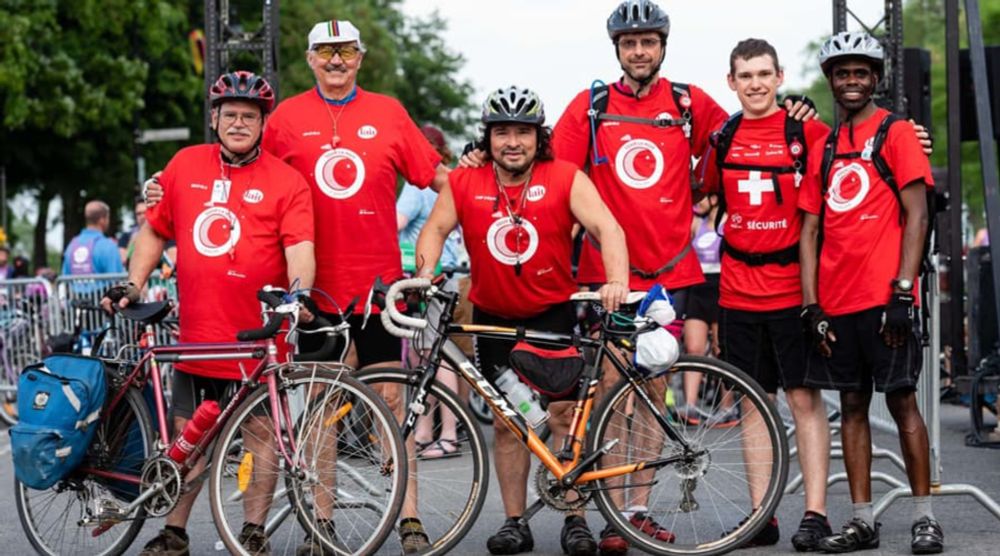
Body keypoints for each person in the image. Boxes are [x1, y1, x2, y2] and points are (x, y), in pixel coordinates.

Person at [102, 70, 316, 556]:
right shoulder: (184, 165)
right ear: (214, 118)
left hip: (258, 337)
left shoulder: (288, 181)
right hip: (198, 338)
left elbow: (300, 245)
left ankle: (253, 531)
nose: (239, 123)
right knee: (187, 439)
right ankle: (175, 531)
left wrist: (298, 294)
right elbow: (154, 232)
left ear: (264, 124)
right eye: (230, 114)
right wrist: (134, 282)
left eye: (250, 116)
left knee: (262, 436)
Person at [416, 86, 629, 556]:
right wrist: (425, 274)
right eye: (503, 132)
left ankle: (576, 518)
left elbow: (606, 227)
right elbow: (433, 230)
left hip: (550, 316)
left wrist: (616, 279)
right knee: (509, 422)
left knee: (563, 415)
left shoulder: (565, 177)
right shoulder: (466, 182)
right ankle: (516, 522)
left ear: (539, 137)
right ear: (488, 137)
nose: (513, 141)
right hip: (493, 320)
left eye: (523, 133)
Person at [798, 31, 943, 554]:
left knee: (903, 403)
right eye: (842, 73)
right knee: (852, 407)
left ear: (876, 79)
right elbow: (810, 230)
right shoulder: (824, 146)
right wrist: (811, 304)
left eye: (861, 72)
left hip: (887, 300)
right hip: (837, 304)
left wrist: (904, 291)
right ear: (832, 81)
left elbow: (918, 213)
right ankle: (862, 520)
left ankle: (925, 518)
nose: (852, 81)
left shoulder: (897, 133)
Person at [700, 38, 834, 551]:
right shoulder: (723, 138)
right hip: (736, 291)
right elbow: (703, 189)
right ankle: (762, 515)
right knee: (753, 405)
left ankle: (815, 514)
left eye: (763, 74)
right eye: (745, 76)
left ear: (779, 76)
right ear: (730, 82)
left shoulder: (808, 133)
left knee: (804, 399)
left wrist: (914, 134)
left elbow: (859, 151)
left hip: (791, 292)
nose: (755, 84)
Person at [397, 124, 466, 459]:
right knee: (430, 355)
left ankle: (447, 433)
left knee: (434, 357)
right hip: (449, 275)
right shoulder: (450, 183)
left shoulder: (417, 185)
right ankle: (427, 430)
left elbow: (396, 222)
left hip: (426, 277)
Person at [61, 200, 125, 276]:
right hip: (103, 288)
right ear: (102, 220)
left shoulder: (71, 246)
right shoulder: (108, 246)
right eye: (108, 218)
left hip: (74, 288)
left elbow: (64, 279)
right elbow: (117, 280)